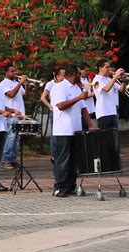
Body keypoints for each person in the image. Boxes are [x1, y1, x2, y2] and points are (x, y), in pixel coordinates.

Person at [50, 65, 95, 197]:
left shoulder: (76, 88)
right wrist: (79, 98)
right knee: (62, 160)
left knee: (74, 160)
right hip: (63, 130)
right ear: (73, 74)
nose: (81, 76)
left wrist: (91, 125)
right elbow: (61, 106)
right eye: (79, 74)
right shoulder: (59, 87)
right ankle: (59, 187)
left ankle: (71, 185)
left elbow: (83, 109)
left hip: (76, 129)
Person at [0, 65, 26, 169]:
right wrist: (20, 82)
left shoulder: (16, 83)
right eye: (12, 71)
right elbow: (11, 94)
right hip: (11, 114)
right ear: (6, 72)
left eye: (15, 70)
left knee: (17, 138)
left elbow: (24, 96)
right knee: (11, 137)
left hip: (20, 114)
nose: (14, 72)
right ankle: (6, 160)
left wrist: (26, 84)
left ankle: (12, 159)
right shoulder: (3, 83)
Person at [41, 66, 66, 164]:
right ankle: (54, 155)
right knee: (54, 134)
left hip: (63, 111)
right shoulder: (50, 84)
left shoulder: (65, 84)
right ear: (56, 75)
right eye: (62, 75)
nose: (64, 77)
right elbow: (43, 97)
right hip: (54, 111)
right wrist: (50, 106)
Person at [92, 60, 125, 129]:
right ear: (100, 68)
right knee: (106, 138)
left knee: (115, 138)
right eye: (107, 67)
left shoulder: (109, 79)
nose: (109, 69)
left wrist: (123, 80)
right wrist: (115, 76)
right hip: (103, 113)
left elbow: (122, 90)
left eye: (109, 67)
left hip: (113, 112)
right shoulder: (96, 80)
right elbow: (106, 89)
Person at [78, 62, 96, 130]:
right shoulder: (78, 80)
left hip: (90, 108)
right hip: (84, 109)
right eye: (86, 70)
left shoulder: (87, 79)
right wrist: (93, 94)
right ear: (80, 70)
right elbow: (81, 96)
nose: (87, 72)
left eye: (88, 70)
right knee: (84, 129)